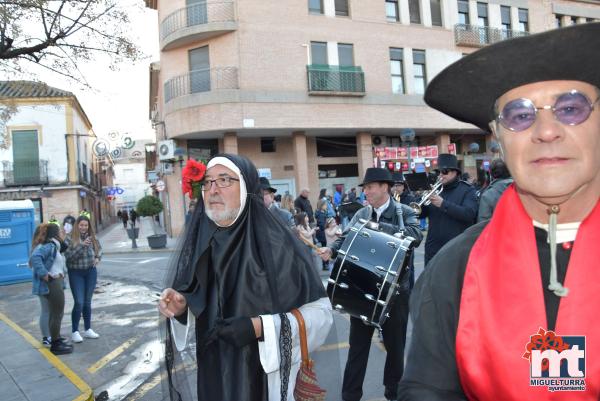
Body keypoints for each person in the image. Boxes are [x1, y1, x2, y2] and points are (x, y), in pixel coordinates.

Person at [399, 23, 600, 400]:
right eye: (520, 116)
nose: (546, 131)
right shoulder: (455, 269)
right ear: (499, 139)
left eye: (570, 108)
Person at [158, 154, 332, 401]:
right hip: (214, 372)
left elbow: (322, 314)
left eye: (224, 180)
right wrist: (182, 304)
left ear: (247, 188)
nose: (213, 190)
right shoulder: (204, 245)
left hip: (264, 379)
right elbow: (197, 294)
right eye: (207, 182)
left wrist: (261, 328)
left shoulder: (278, 245)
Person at [319, 167, 423, 401]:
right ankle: (350, 395)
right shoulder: (361, 214)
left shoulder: (404, 211)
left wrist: (377, 227)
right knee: (357, 348)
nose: (365, 192)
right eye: (364, 188)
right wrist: (332, 250)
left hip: (395, 293)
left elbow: (415, 236)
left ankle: (393, 393)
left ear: (384, 187)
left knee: (395, 349)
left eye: (369, 187)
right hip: (362, 288)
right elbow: (345, 238)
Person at [419, 153, 479, 265]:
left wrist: (443, 204)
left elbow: (469, 214)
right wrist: (421, 202)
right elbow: (421, 215)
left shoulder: (467, 190)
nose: (441, 175)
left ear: (455, 172)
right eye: (439, 172)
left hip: (456, 248)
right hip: (433, 248)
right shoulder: (435, 190)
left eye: (444, 171)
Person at [29, 223, 72, 355]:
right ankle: (55, 344)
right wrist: (44, 274)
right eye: (59, 232)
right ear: (55, 234)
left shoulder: (54, 245)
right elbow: (35, 258)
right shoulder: (50, 245)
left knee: (56, 313)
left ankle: (57, 339)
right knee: (56, 313)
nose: (61, 234)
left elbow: (65, 248)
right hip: (53, 282)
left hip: (56, 281)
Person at [64, 215, 102, 343]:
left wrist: (97, 257)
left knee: (87, 302)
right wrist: (82, 246)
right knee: (79, 302)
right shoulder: (70, 238)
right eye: (81, 225)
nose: (84, 228)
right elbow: (69, 257)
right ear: (77, 226)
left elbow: (99, 249)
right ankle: (75, 331)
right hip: (76, 273)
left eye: (86, 225)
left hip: (90, 272)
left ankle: (87, 329)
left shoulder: (92, 237)